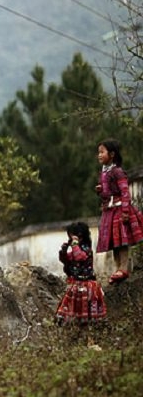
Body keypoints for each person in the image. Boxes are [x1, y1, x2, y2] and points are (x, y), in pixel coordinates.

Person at [95, 138, 143, 284]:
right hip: (109, 210)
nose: (99, 155)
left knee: (122, 242)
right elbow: (106, 195)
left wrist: (126, 212)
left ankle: (124, 268)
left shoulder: (117, 171)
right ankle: (118, 269)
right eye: (99, 152)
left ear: (112, 154)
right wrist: (100, 191)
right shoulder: (104, 173)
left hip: (119, 209)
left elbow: (125, 192)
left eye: (102, 152)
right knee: (115, 242)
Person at [55, 222, 107, 324]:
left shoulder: (86, 250)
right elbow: (67, 260)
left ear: (79, 236)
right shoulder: (75, 250)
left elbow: (79, 257)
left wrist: (74, 244)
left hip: (87, 285)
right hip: (76, 284)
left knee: (87, 310)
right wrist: (64, 251)